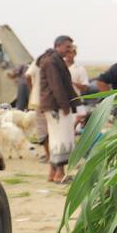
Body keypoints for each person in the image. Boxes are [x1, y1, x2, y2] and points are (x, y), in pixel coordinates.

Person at [36, 35, 79, 183]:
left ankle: (52, 173)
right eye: (67, 47)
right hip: (56, 106)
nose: (70, 49)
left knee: (57, 138)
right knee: (61, 138)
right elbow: (57, 86)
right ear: (58, 45)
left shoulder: (55, 60)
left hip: (55, 105)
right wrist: (65, 105)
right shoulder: (51, 62)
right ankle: (60, 174)